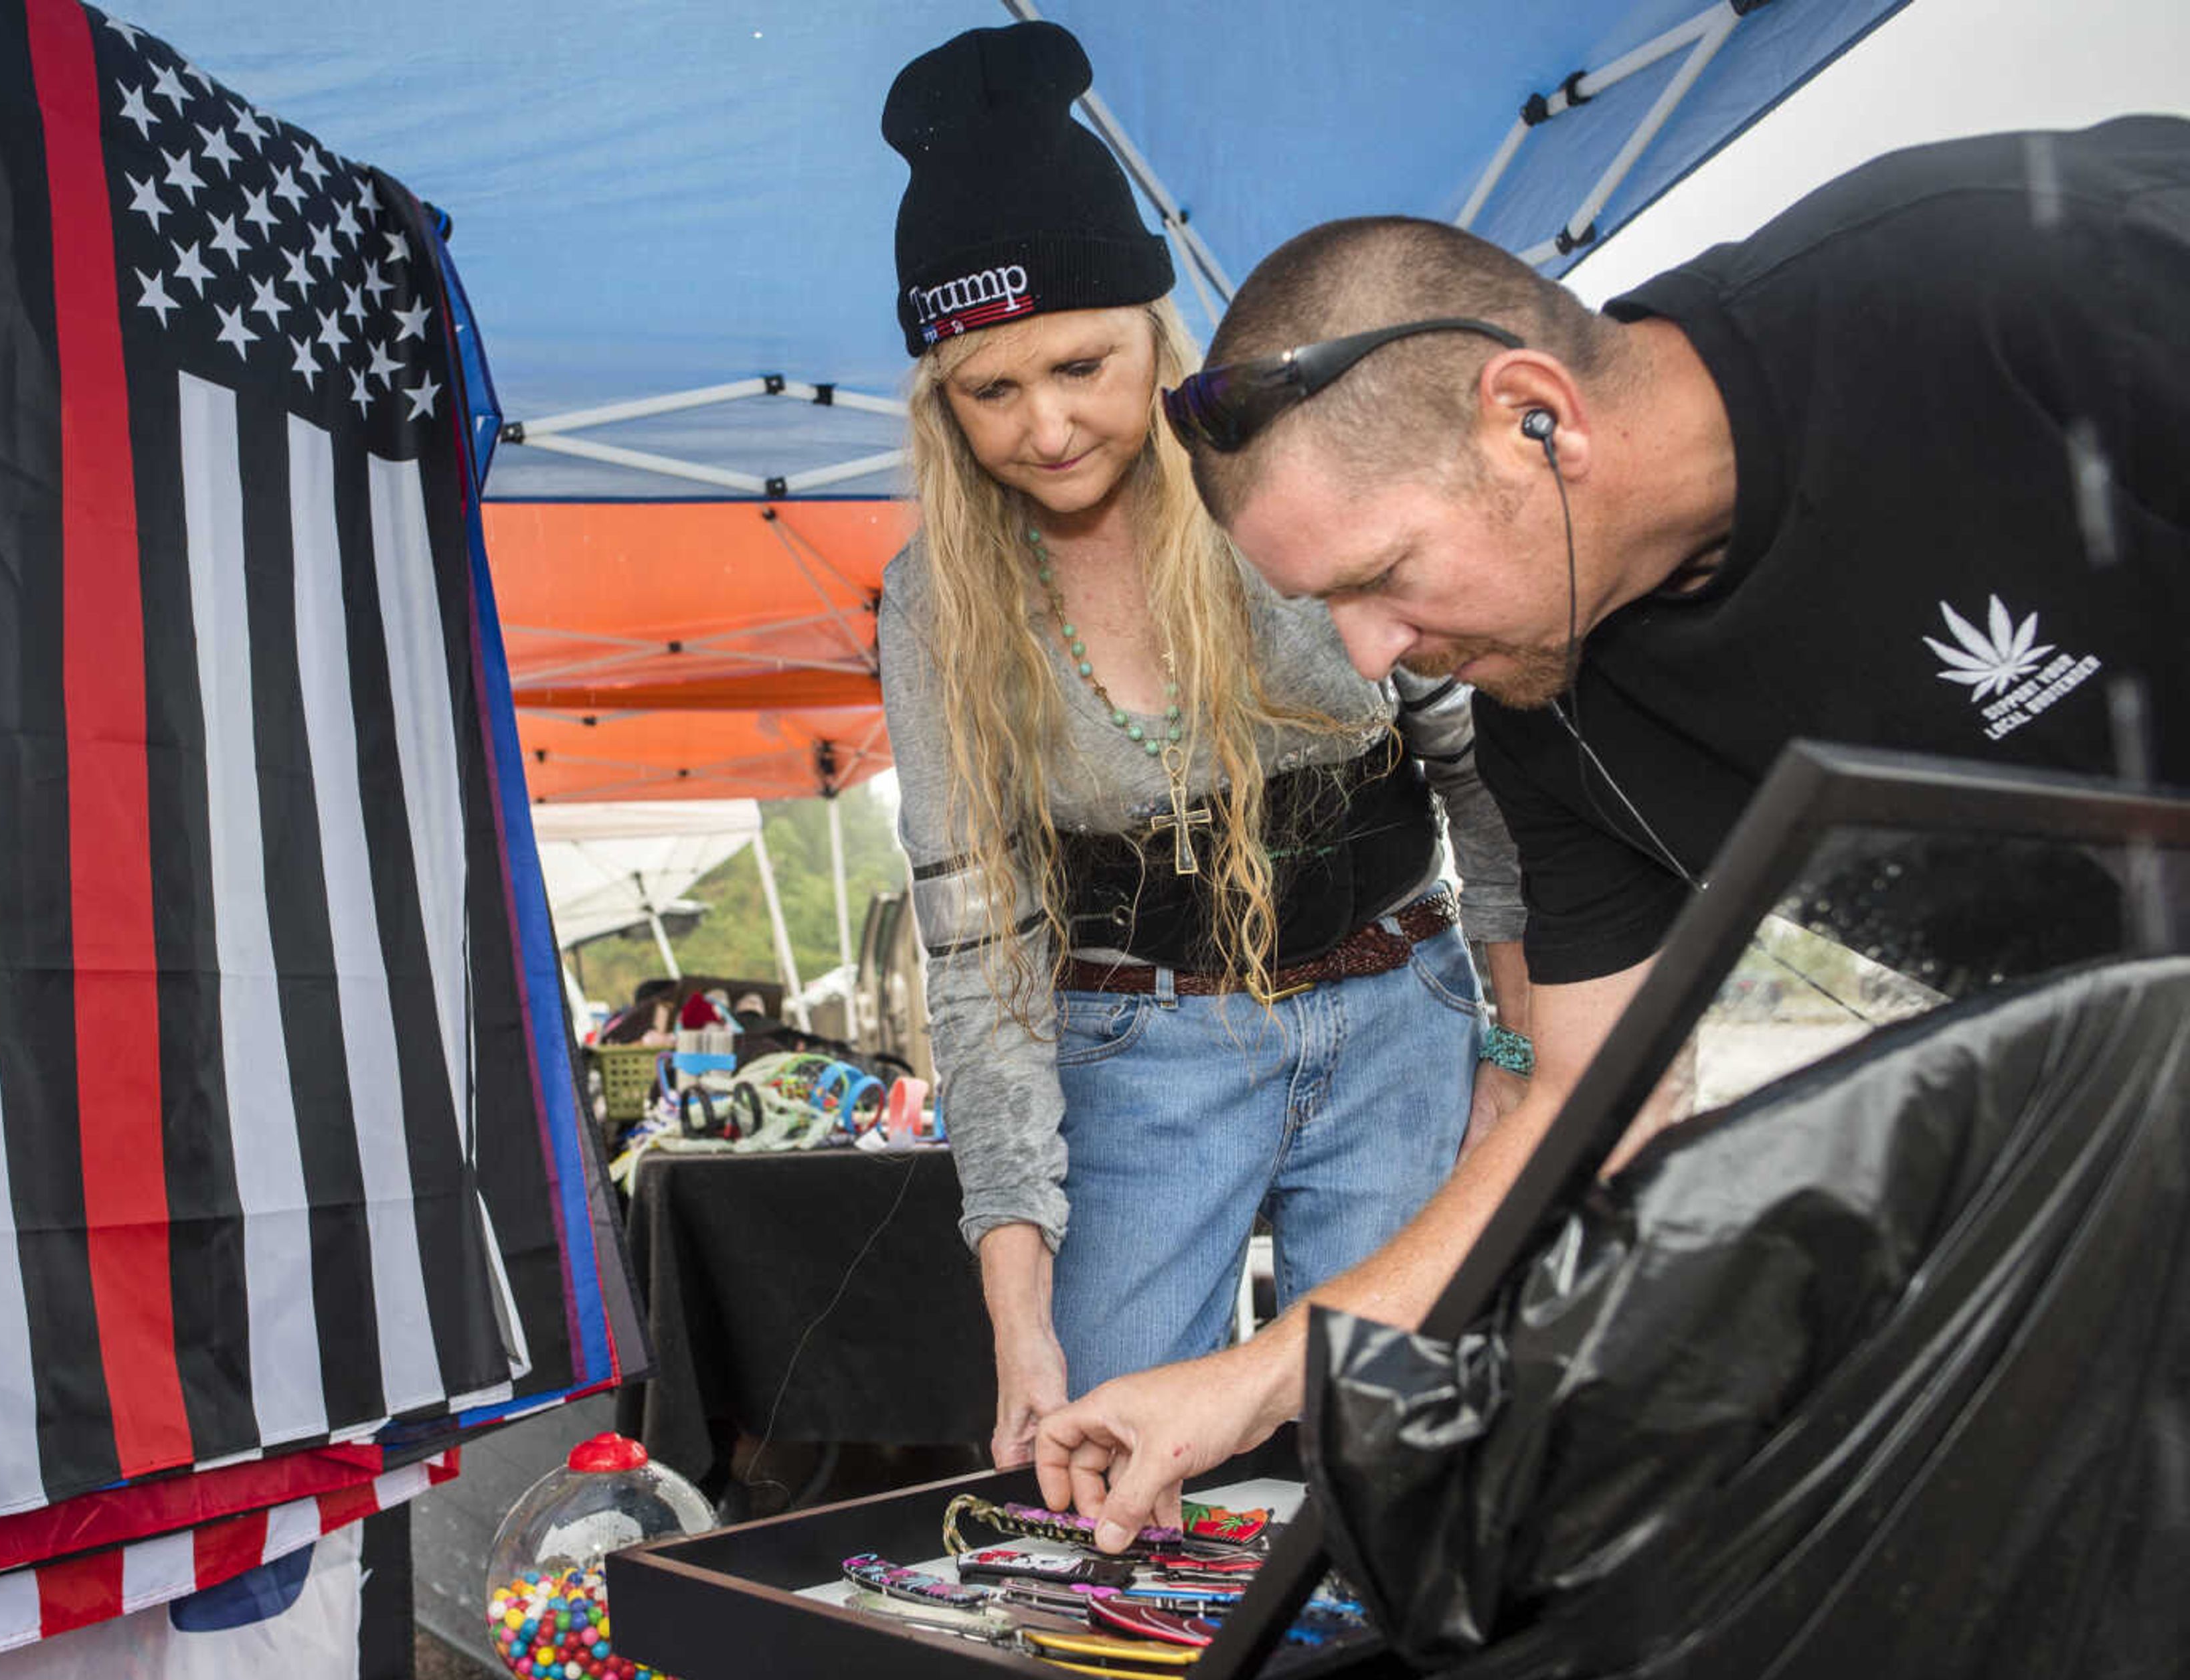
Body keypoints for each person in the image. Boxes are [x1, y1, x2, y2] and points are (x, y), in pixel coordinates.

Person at [1033, 115, 2190, 1548]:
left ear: (1537, 417)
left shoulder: (2013, 276)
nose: (1376, 656)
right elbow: (1580, 1109)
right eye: (1328, 607)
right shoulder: (1551, 718)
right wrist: (1254, 1381)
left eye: (1384, 574)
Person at [875, 20, 1529, 1469]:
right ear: (942, 403)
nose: (1046, 427)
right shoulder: (931, 604)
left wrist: (1517, 1044)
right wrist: (1018, 1305)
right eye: (993, 391)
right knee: (1104, 1474)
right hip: (1139, 1058)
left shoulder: (1286, 472)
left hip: (1400, 1021)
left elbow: (1481, 770)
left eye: (1083, 366)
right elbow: (977, 951)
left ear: (1154, 336)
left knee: (1392, 1469)